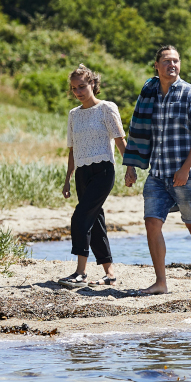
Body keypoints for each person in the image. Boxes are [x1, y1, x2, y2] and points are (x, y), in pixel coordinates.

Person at [128, 45, 191, 294]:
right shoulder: (149, 95)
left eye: (175, 61)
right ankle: (161, 283)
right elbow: (139, 132)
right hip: (157, 173)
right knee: (151, 224)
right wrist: (131, 165)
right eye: (166, 61)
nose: (171, 65)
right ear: (156, 66)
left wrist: (185, 169)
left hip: (186, 174)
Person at [58, 64, 126, 289]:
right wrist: (68, 179)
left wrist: (131, 168)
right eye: (74, 88)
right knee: (95, 221)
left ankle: (81, 272)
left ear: (93, 85)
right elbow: (72, 150)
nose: (78, 91)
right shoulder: (73, 115)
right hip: (82, 173)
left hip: (103, 170)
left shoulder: (107, 108)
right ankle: (110, 274)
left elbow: (119, 140)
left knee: (80, 218)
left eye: (82, 86)